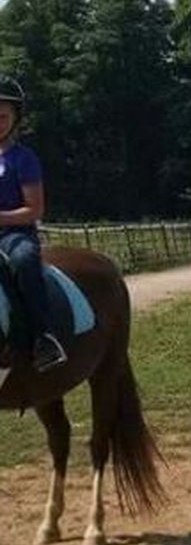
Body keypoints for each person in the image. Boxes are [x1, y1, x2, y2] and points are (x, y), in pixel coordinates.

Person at [0, 75, 68, 371]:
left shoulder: (22, 159)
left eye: (2, 116)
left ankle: (45, 337)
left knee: (25, 260)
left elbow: (34, 209)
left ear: (15, 119)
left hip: (14, 234)